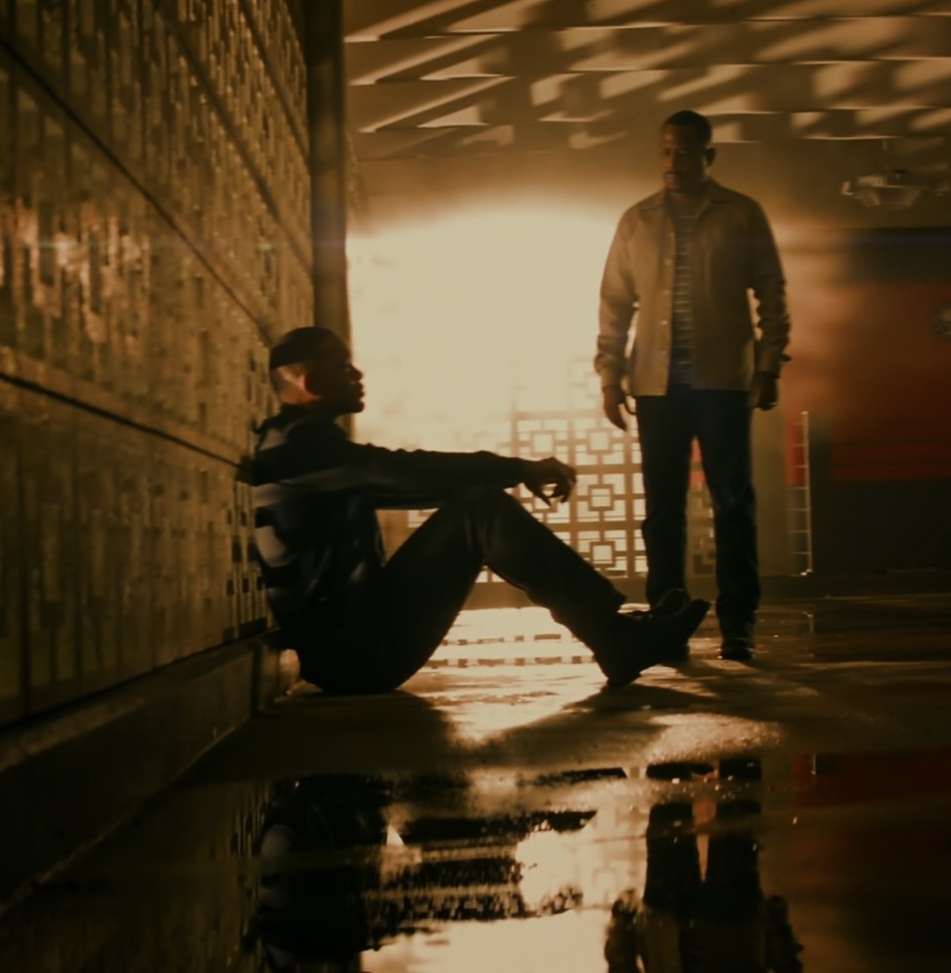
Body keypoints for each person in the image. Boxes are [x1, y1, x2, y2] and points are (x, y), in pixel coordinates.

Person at [249, 326, 709, 694]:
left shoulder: (298, 446)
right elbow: (403, 473)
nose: (357, 374)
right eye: (344, 366)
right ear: (311, 383)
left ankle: (614, 631)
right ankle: (615, 638)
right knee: (481, 510)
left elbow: (408, 483)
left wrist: (508, 472)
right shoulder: (299, 450)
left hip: (353, 645)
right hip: (355, 656)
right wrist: (517, 468)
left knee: (476, 504)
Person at [597, 110, 790, 662]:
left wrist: (768, 367)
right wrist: (610, 376)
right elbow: (614, 304)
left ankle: (738, 624)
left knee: (732, 504)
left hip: (723, 381)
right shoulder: (637, 220)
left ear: (708, 156)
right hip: (656, 385)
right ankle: (667, 618)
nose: (672, 162)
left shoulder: (741, 214)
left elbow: (772, 294)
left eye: (683, 152)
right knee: (663, 508)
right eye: (664, 151)